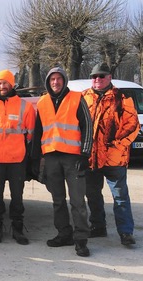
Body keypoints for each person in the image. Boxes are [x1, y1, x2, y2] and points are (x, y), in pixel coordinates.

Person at [31, 67, 93, 257]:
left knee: (77, 201)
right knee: (58, 200)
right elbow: (38, 132)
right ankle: (64, 233)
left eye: (59, 79)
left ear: (64, 80)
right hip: (51, 157)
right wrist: (35, 159)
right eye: (52, 80)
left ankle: (81, 240)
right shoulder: (42, 102)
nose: (56, 82)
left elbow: (87, 127)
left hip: (73, 158)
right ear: (48, 82)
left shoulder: (77, 98)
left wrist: (85, 155)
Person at [82, 63, 138, 246]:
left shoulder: (122, 97)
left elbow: (132, 126)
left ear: (109, 77)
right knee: (92, 194)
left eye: (101, 76)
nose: (97, 79)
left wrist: (117, 145)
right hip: (92, 157)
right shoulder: (83, 97)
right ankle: (98, 227)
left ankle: (126, 232)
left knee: (120, 196)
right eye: (94, 76)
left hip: (115, 158)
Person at [0, 70, 35, 245]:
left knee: (17, 196)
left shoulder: (25, 106)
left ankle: (17, 229)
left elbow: (30, 135)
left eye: (5, 83)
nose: (2, 86)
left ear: (11, 84)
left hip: (17, 158)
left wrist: (17, 146)